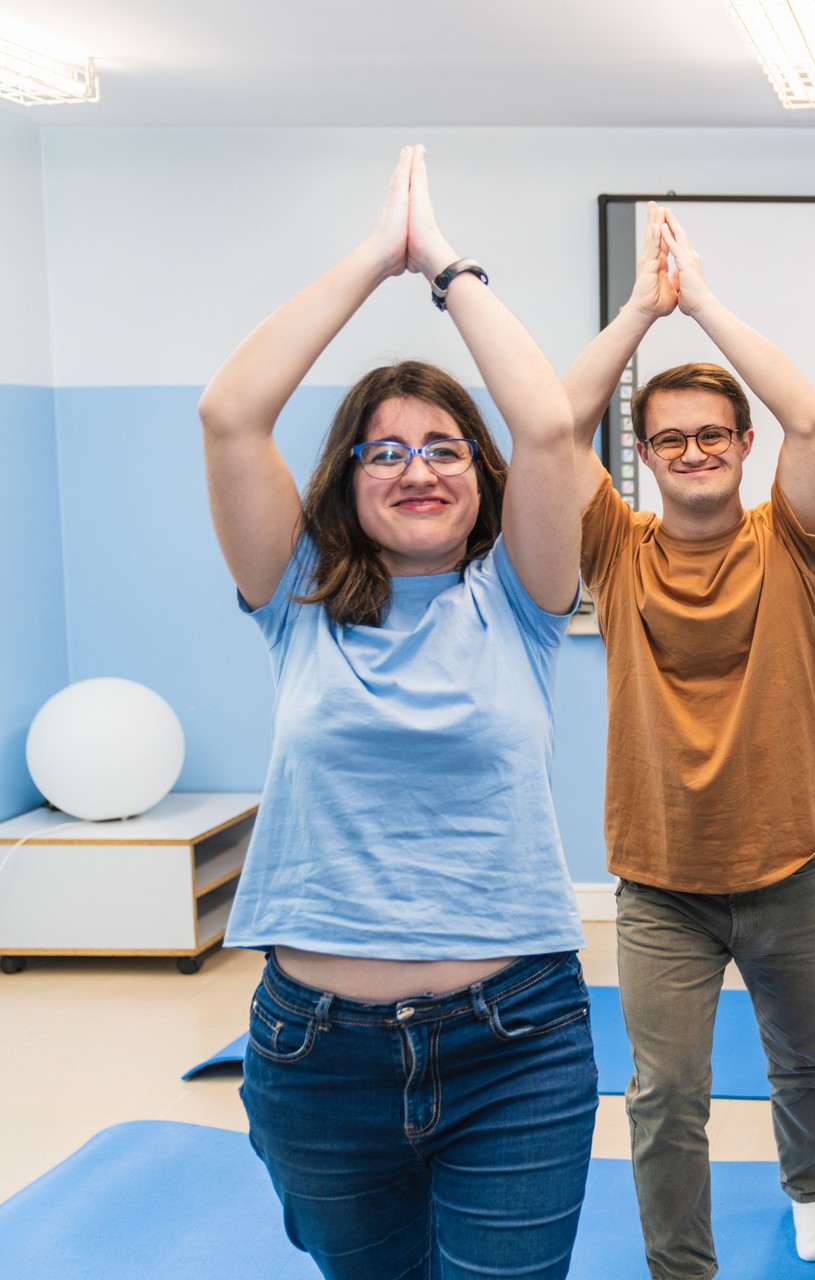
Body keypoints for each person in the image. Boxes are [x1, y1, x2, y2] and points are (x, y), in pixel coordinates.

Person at [201, 147, 594, 1279]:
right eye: (386, 451)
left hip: (515, 1040)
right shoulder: (297, 595)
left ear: (480, 473)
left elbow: (554, 430)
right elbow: (230, 413)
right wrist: (375, 258)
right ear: (347, 475)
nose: (416, 469)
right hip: (315, 1051)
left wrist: (447, 269)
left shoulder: (521, 598)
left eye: (443, 447)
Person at [561, 202, 815, 1278]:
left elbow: (814, 421)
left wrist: (705, 301)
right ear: (642, 455)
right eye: (670, 436)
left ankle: (811, 1185)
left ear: (741, 447)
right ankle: (680, 1265)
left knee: (805, 1059)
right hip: (660, 882)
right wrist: (643, 307)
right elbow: (552, 428)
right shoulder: (612, 547)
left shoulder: (792, 541)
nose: (694, 450)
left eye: (714, 434)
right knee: (664, 1091)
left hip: (790, 865)